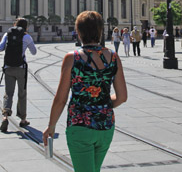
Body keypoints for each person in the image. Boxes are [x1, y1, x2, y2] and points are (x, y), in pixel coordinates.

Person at [43, 11, 127, 172]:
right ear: (101, 31)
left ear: (79, 32)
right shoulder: (113, 57)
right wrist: (102, 105)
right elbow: (122, 97)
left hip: (79, 126)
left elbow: (61, 99)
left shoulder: (72, 58)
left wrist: (51, 126)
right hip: (106, 125)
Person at [0, 18, 37, 132]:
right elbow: (34, 52)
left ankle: (5, 116)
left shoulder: (7, 34)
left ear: (15, 24)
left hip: (8, 67)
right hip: (21, 68)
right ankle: (23, 119)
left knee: (8, 93)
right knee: (22, 93)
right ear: (26, 27)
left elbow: (0, 48)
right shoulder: (27, 37)